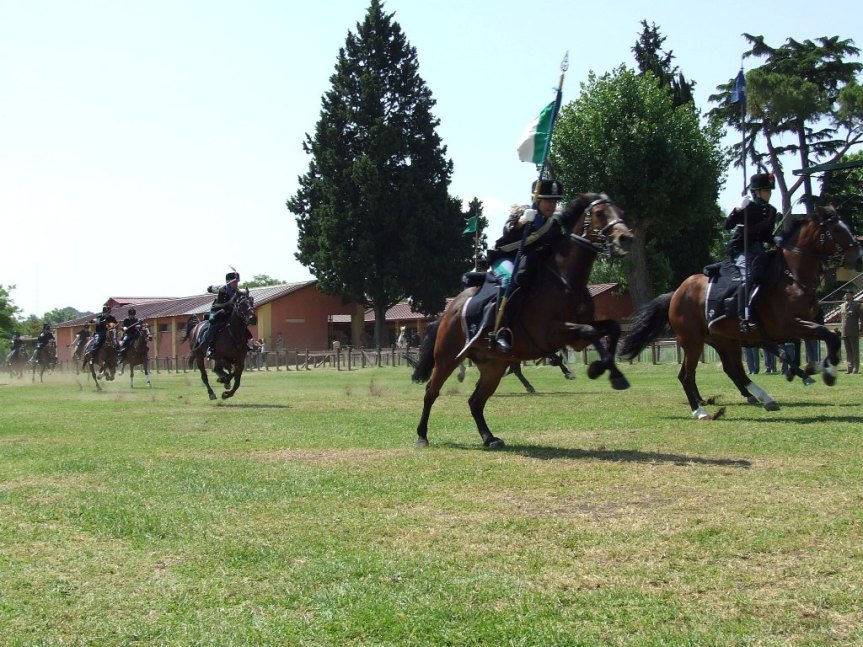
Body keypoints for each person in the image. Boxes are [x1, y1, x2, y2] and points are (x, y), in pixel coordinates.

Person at [490, 178, 564, 353]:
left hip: (529, 262)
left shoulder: (553, 223)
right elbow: (507, 230)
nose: (552, 205)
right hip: (505, 258)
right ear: (536, 199)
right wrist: (522, 221)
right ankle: (503, 330)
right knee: (510, 282)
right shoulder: (522, 212)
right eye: (547, 200)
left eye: (555, 201)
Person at [724, 172, 778, 331]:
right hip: (740, 248)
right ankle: (743, 317)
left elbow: (767, 235)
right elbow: (727, 226)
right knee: (747, 277)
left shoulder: (772, 211)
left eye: (770, 191)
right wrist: (737, 209)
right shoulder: (747, 206)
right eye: (766, 190)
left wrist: (776, 239)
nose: (769, 194)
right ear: (757, 191)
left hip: (758, 250)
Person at [204, 271, 253, 357]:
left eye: (237, 282)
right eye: (234, 282)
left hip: (228, 311)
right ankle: (210, 348)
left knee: (241, 323)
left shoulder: (238, 291)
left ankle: (246, 343)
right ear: (228, 282)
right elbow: (210, 288)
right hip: (217, 311)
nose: (236, 284)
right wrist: (211, 288)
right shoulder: (222, 288)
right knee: (213, 325)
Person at [840, 289, 861, 374]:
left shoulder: (857, 305)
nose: (846, 296)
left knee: (855, 351)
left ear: (852, 296)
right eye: (845, 294)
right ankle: (849, 368)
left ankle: (856, 368)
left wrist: (861, 330)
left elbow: (862, 318)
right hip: (845, 332)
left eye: (848, 294)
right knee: (848, 351)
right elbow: (842, 319)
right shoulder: (841, 306)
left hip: (854, 331)